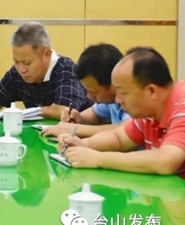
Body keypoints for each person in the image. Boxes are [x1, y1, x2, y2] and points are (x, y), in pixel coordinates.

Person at [59, 47, 185, 177]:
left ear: (151, 91)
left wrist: (98, 158)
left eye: (123, 93)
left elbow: (165, 161)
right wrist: (83, 144)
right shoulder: (149, 112)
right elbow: (118, 138)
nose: (117, 100)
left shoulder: (182, 107)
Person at [0, 22, 91, 120]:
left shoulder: (66, 69)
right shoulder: (17, 73)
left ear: (46, 54)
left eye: (27, 63)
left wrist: (28, 113)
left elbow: (66, 110)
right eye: (16, 61)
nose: (21, 69)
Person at [42, 43, 130, 138]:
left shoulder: (133, 99)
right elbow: (95, 115)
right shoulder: (110, 100)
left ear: (113, 82)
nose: (88, 96)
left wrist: (74, 129)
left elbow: (126, 130)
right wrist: (78, 118)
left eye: (93, 92)